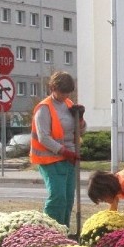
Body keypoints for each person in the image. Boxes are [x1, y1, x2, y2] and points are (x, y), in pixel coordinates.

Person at [30, 71, 86, 230]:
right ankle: (49, 232)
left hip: (69, 159)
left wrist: (80, 119)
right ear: (53, 88)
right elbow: (44, 137)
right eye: (63, 92)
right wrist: (64, 152)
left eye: (68, 92)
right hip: (50, 160)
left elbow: (81, 131)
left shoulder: (69, 105)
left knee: (68, 199)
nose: (66, 95)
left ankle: (64, 230)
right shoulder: (44, 108)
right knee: (57, 197)